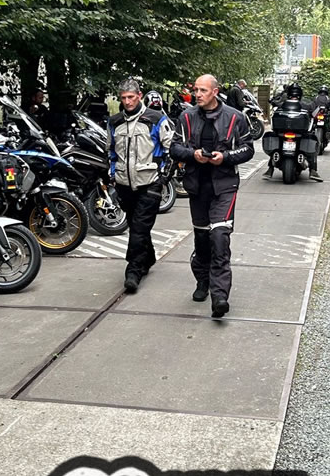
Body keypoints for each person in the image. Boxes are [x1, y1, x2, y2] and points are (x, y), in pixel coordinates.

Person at [170, 74, 255, 318]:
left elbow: (248, 148)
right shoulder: (186, 117)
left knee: (219, 238)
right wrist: (193, 154)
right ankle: (202, 280)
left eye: (203, 90)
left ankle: (220, 297)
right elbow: (174, 147)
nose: (197, 94)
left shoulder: (235, 117)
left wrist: (225, 157)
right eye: (196, 90)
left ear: (215, 92)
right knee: (202, 239)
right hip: (197, 187)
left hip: (224, 187)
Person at [109, 79, 174, 293]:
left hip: (150, 184)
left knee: (138, 228)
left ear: (139, 95)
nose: (128, 101)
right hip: (124, 184)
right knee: (136, 226)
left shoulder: (155, 119)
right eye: (124, 98)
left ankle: (133, 271)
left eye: (131, 97)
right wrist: (112, 176)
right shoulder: (115, 122)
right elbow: (111, 152)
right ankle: (149, 257)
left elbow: (171, 149)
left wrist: (163, 180)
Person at [263, 83, 322, 182]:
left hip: (283, 133)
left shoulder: (283, 104)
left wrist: (275, 100)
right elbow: (313, 112)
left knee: (277, 145)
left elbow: (274, 104)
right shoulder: (306, 105)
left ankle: (270, 168)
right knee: (311, 143)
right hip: (300, 134)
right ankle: (313, 170)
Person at [312, 84, 330, 153]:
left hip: (316, 117)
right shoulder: (328, 99)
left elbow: (311, 107)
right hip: (325, 117)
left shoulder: (315, 98)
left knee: (311, 129)